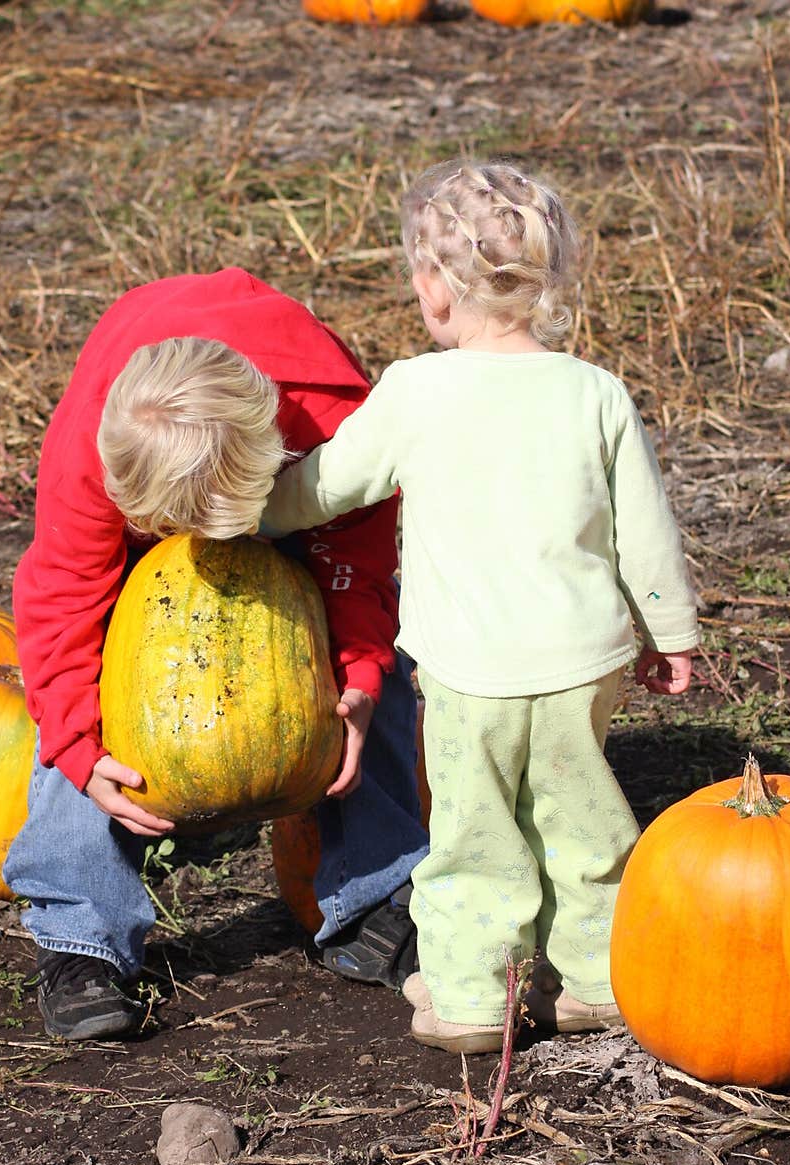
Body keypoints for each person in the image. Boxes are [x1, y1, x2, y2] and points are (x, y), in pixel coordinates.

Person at [260, 158, 700, 1055]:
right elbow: (645, 533)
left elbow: (328, 487)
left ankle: (468, 997)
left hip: (466, 677)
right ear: (548, 279)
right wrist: (671, 633)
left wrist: (252, 509)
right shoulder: (594, 393)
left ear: (433, 285)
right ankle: (599, 980)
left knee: (471, 832)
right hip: (584, 661)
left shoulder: (416, 391)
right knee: (586, 825)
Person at [3, 268, 429, 1042]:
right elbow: (61, 604)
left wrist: (359, 679)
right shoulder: (94, 448)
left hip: (295, 494)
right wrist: (74, 742)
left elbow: (356, 573)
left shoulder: (344, 433)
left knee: (378, 667)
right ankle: (80, 937)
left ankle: (374, 894)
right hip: (161, 471)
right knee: (87, 681)